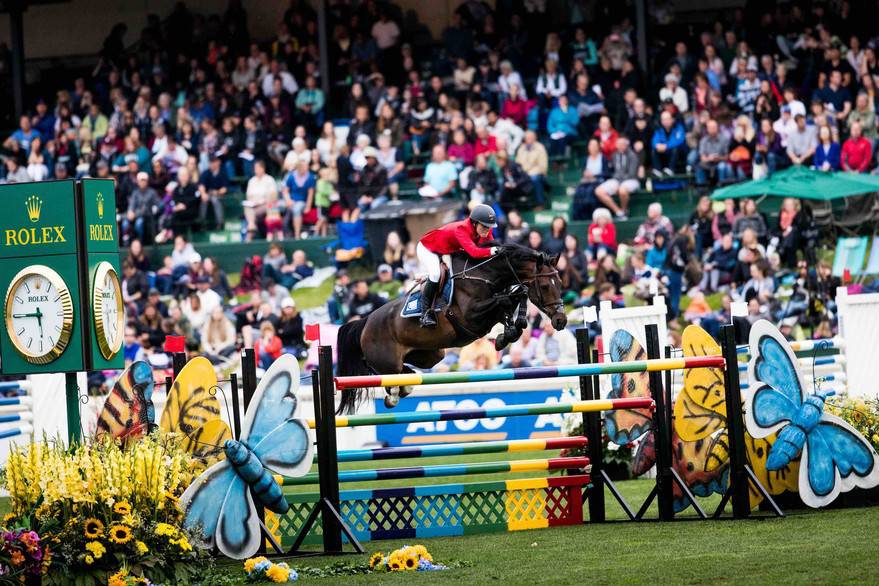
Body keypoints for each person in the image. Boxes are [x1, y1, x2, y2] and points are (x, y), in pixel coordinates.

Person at [416, 204, 498, 327]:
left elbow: (489, 246)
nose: (487, 230)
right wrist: (493, 251)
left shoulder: (484, 229)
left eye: (489, 227)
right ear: (475, 223)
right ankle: (425, 313)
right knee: (436, 273)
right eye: (485, 226)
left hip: (446, 251)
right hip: (428, 249)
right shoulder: (461, 229)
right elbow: (475, 252)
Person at [595, 136, 639, 219]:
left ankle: (625, 210)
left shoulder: (633, 155)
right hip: (616, 180)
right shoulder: (614, 155)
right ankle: (619, 212)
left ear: (627, 145)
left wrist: (619, 183)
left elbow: (632, 173)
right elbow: (612, 171)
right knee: (599, 191)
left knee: (622, 190)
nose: (621, 146)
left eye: (623, 144)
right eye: (619, 144)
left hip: (631, 180)